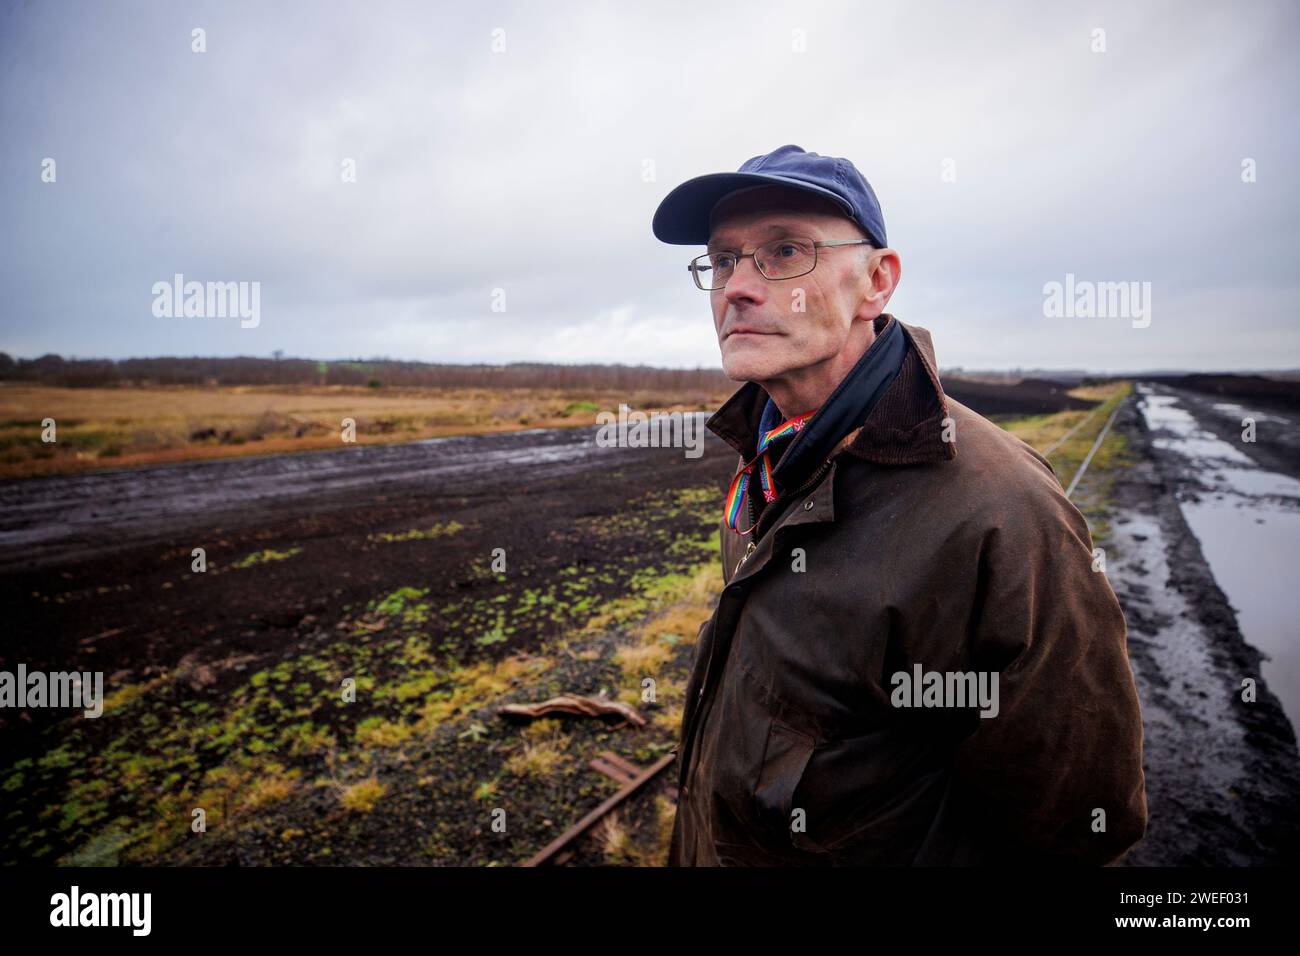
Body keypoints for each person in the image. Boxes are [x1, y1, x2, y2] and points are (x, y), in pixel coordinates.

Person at [651, 144, 1147, 865]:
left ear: (877, 280)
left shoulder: (1002, 516)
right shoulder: (768, 453)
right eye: (722, 260)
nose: (737, 288)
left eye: (783, 251)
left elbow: (1073, 825)